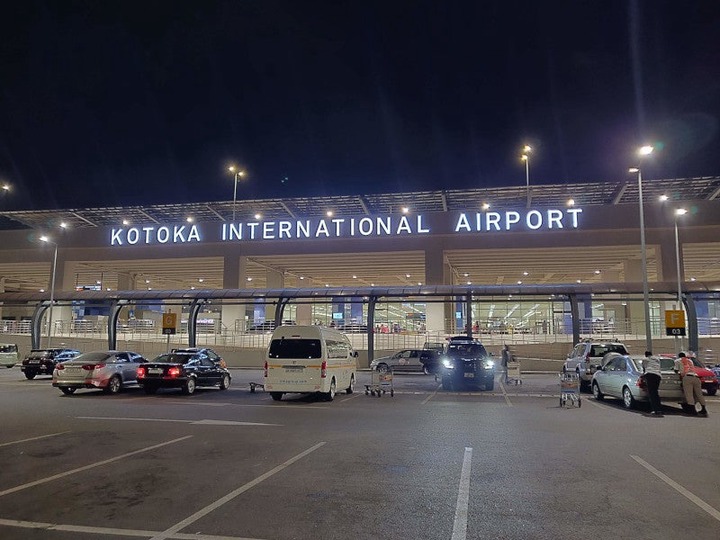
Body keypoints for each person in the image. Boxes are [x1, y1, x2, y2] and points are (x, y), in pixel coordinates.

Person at [675, 352, 708, 416]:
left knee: (689, 394)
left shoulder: (678, 361)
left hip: (687, 378)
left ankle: (692, 411)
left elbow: (676, 370)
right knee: (699, 394)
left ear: (679, 356)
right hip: (696, 377)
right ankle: (704, 409)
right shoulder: (690, 361)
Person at [641, 351, 663, 417]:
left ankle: (654, 410)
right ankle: (659, 409)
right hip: (658, 375)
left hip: (650, 375)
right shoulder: (657, 359)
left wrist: (643, 376)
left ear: (646, 355)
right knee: (655, 392)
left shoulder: (645, 359)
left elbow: (644, 368)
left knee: (651, 393)